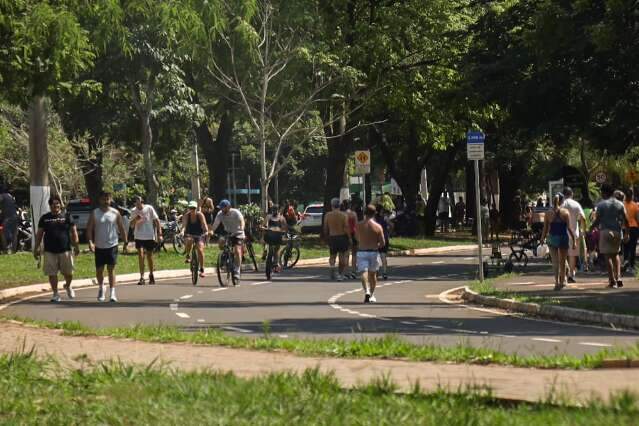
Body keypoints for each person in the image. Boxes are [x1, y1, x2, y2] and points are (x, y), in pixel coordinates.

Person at [33, 195, 80, 302]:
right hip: (49, 251)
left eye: (57, 204)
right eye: (53, 204)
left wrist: (76, 246)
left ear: (60, 205)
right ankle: (55, 294)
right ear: (50, 206)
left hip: (65, 249)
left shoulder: (67, 216)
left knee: (69, 273)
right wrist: (36, 248)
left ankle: (68, 286)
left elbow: (74, 232)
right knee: (52, 273)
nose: (56, 206)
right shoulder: (45, 218)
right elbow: (39, 234)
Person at [86, 191, 128, 302]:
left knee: (111, 269)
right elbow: (89, 229)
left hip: (112, 245)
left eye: (108, 199)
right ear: (100, 200)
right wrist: (90, 242)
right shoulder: (95, 213)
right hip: (99, 246)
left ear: (110, 200)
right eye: (104, 199)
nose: (106, 201)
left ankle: (113, 292)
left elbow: (121, 228)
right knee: (99, 270)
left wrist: (125, 241)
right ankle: (101, 287)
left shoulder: (115, 213)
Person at [592, 184, 628, 288]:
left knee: (607, 256)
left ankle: (612, 280)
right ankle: (619, 278)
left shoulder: (601, 205)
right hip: (617, 232)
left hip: (605, 231)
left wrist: (591, 227)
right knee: (616, 254)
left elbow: (598, 219)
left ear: (604, 193)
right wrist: (627, 233)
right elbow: (625, 219)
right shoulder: (620, 204)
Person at [541, 193, 576, 291]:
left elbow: (545, 228)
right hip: (563, 238)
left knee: (555, 262)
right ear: (561, 201)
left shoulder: (548, 213)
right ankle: (562, 282)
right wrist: (574, 240)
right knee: (563, 261)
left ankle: (556, 282)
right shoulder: (565, 212)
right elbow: (569, 228)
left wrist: (542, 239)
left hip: (552, 238)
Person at [356, 205, 386, 303]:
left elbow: (356, 237)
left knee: (363, 272)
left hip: (361, 251)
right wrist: (376, 244)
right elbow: (382, 243)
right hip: (373, 252)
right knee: (373, 275)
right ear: (374, 213)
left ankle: (366, 291)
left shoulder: (359, 225)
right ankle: (372, 295)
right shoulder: (377, 227)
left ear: (364, 212)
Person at [130, 196, 162, 285]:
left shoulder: (149, 208)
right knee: (140, 255)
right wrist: (136, 219)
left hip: (149, 236)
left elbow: (157, 220)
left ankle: (151, 274)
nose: (137, 204)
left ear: (141, 201)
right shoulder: (133, 211)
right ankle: (142, 277)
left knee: (149, 256)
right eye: (135, 202)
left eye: (138, 202)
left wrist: (160, 234)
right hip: (138, 236)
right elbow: (132, 226)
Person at [211, 199, 245, 280]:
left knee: (237, 251)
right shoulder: (220, 214)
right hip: (228, 233)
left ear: (228, 207)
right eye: (221, 208)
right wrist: (211, 231)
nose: (221, 209)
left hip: (238, 233)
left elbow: (242, 220)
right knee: (221, 242)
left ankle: (237, 270)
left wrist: (242, 227)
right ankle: (224, 257)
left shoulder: (235, 212)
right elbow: (215, 224)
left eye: (223, 208)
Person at [561, 187, 586, 283]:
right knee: (572, 255)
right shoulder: (576, 204)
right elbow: (583, 218)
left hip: (562, 233)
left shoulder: (561, 204)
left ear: (563, 195)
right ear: (572, 194)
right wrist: (583, 231)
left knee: (563, 254)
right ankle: (571, 274)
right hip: (574, 234)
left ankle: (564, 273)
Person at [323, 197, 350, 281]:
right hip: (342, 237)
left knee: (332, 256)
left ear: (332, 206)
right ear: (339, 206)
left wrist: (326, 237)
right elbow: (346, 228)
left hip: (332, 237)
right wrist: (349, 238)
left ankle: (332, 271)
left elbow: (325, 228)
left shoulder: (328, 215)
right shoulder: (344, 215)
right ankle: (340, 274)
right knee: (342, 256)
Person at [182, 201, 208, 278]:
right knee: (189, 240)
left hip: (199, 234)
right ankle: (188, 255)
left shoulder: (200, 215)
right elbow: (184, 226)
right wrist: (182, 231)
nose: (192, 210)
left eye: (193, 208)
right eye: (190, 208)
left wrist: (206, 231)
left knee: (200, 249)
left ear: (196, 208)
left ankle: (202, 269)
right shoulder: (186, 216)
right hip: (189, 234)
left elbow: (204, 224)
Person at [262, 204, 287, 272]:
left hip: (278, 236)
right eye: (273, 210)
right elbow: (263, 225)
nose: (274, 211)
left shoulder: (281, 218)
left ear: (278, 210)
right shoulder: (268, 216)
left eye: (275, 210)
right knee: (270, 249)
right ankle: (265, 253)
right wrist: (263, 228)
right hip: (270, 236)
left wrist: (282, 231)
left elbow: (284, 227)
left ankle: (276, 263)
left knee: (277, 249)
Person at [341, 199, 359, 279]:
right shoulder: (353, 214)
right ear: (350, 205)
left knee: (346, 254)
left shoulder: (342, 214)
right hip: (353, 233)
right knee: (354, 254)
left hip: (345, 234)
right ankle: (354, 271)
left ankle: (346, 272)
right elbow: (356, 225)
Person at [623, 188, 639, 272]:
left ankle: (625, 261)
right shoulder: (635, 205)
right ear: (632, 195)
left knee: (625, 246)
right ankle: (631, 266)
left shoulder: (622, 204)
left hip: (624, 228)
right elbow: (637, 218)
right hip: (634, 228)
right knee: (632, 247)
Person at [0, 186, 18, 253]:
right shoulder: (10, 196)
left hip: (8, 218)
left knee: (2, 232)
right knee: (14, 234)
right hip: (15, 217)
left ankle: (5, 250)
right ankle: (13, 251)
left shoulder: (2, 196)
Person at [375, 206, 391, 280]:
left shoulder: (374, 219)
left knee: (377, 256)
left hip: (376, 238)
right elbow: (391, 225)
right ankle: (384, 272)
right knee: (383, 256)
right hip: (384, 238)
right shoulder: (385, 218)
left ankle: (376, 272)